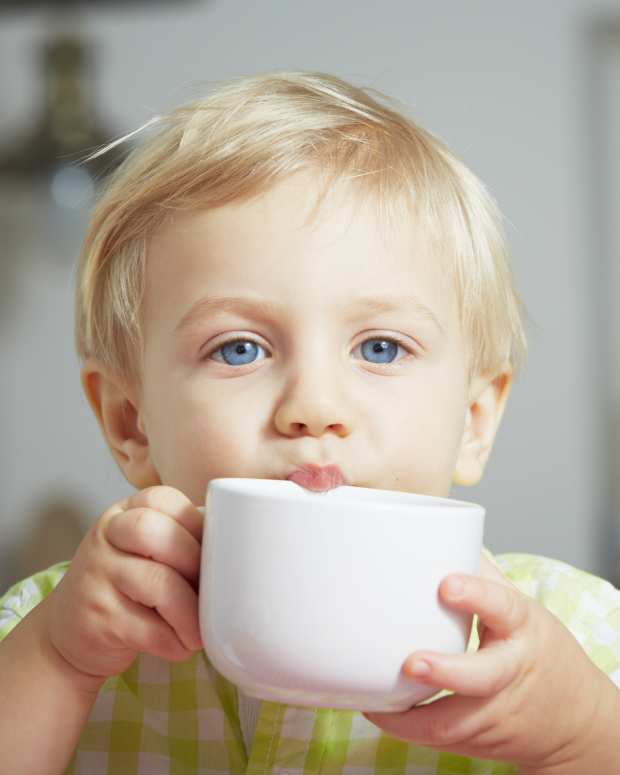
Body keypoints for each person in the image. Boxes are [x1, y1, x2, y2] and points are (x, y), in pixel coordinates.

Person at [0, 71, 618, 775]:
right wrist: (57, 661)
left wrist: (584, 735)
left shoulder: (570, 627)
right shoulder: (57, 625)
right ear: (131, 423)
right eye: (240, 348)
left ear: (474, 419)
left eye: (380, 347)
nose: (314, 405)